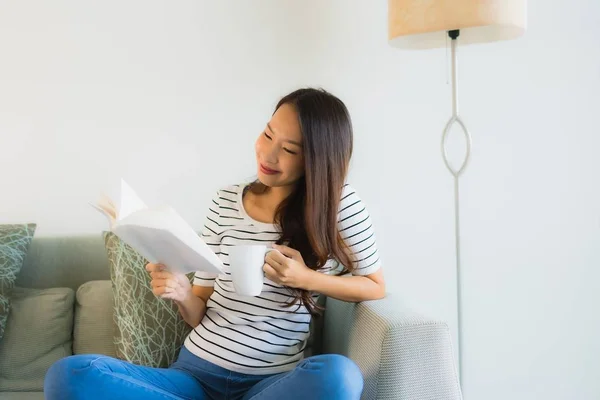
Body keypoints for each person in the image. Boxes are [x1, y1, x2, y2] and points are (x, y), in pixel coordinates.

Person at [44, 88, 386, 400]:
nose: (268, 153)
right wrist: (181, 293)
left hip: (270, 386)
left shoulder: (340, 206)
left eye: (289, 149)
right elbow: (199, 312)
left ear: (315, 159)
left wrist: (306, 278)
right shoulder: (225, 201)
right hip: (195, 376)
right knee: (70, 375)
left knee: (339, 377)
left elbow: (374, 286)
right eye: (268, 134)